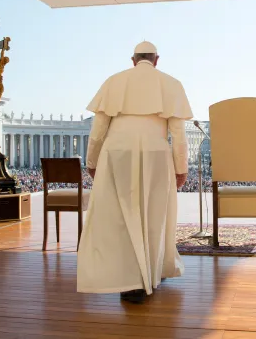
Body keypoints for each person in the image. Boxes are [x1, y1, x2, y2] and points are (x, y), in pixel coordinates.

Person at [77, 41, 192, 304]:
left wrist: (91, 161)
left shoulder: (114, 81)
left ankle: (131, 282)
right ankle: (152, 273)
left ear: (133, 60)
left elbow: (98, 130)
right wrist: (181, 168)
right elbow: (179, 135)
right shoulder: (171, 84)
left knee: (120, 216)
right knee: (154, 215)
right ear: (156, 59)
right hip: (156, 154)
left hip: (117, 153)